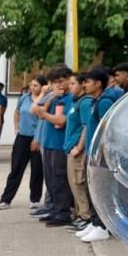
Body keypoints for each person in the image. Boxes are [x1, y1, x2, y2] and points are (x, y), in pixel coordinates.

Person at [73, 66, 118, 243]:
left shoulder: (105, 102)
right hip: (93, 154)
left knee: (101, 192)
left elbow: (108, 131)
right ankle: (95, 221)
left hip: (102, 156)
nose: (85, 85)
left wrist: (100, 154)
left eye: (89, 81)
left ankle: (102, 226)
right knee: (93, 190)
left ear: (98, 83)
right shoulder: (95, 101)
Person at [0, 75, 46, 210]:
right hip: (22, 137)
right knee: (16, 169)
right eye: (31, 85)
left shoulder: (45, 100)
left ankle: (35, 199)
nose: (32, 88)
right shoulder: (24, 98)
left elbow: (43, 120)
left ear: (43, 87)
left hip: (37, 138)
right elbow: (17, 112)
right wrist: (16, 128)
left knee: (37, 170)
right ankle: (6, 199)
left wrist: (37, 139)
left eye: (36, 85)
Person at [32, 66, 75, 226]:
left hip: (59, 145)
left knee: (59, 180)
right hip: (49, 143)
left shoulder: (70, 98)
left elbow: (61, 120)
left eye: (61, 81)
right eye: (55, 82)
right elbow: (36, 109)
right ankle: (55, 210)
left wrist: (44, 115)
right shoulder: (56, 97)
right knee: (50, 180)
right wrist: (48, 95)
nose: (58, 85)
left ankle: (63, 212)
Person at [64, 71, 95, 230]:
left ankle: (85, 216)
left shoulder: (85, 103)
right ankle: (78, 215)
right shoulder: (76, 102)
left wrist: (79, 147)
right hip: (70, 148)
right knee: (74, 184)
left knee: (78, 183)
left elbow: (86, 127)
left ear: (83, 84)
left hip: (77, 150)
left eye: (73, 83)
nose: (70, 86)